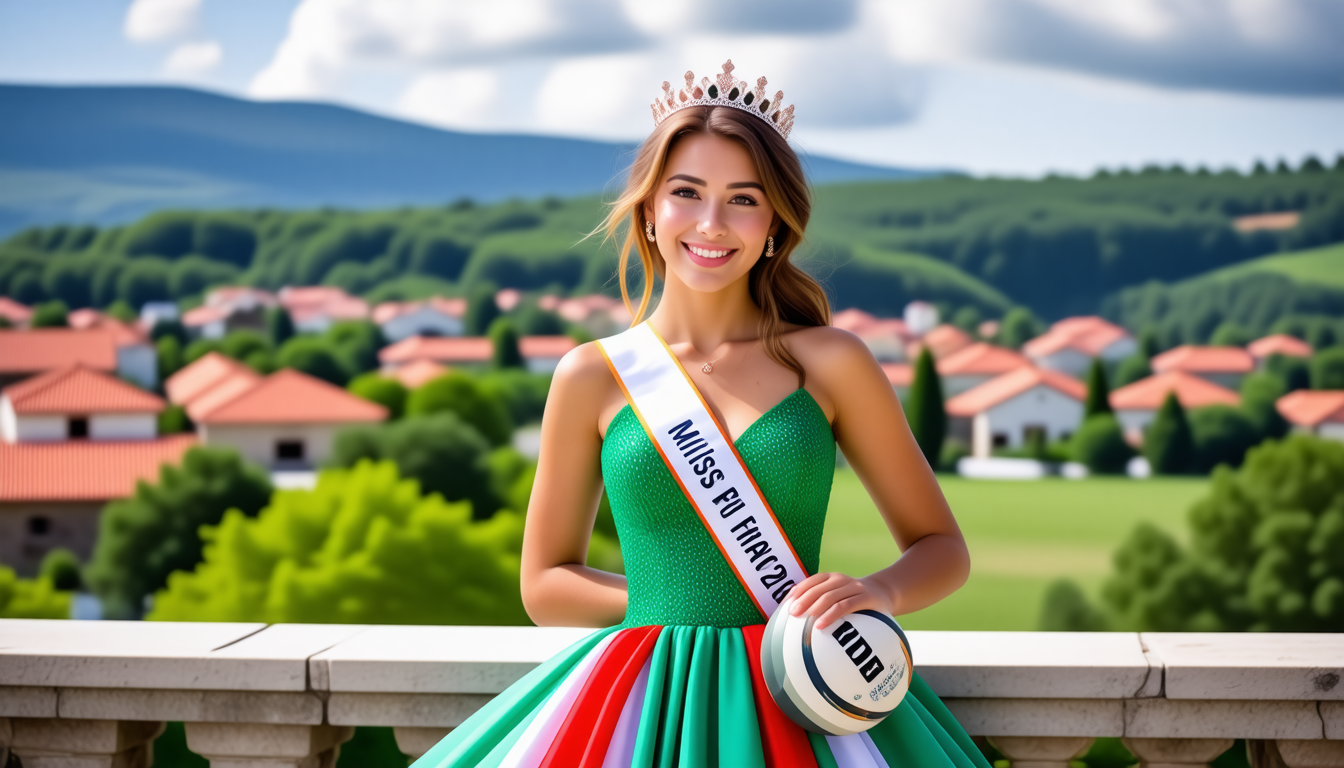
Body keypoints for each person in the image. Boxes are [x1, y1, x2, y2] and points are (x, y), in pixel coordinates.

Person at [414, 60, 988, 768]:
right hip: (645, 702)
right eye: (687, 192)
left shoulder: (833, 362)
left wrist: (874, 592)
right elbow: (544, 585)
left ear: (776, 221)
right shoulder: (592, 376)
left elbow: (942, 549)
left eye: (743, 199)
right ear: (649, 210)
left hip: (804, 698)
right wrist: (673, 602)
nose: (712, 224)